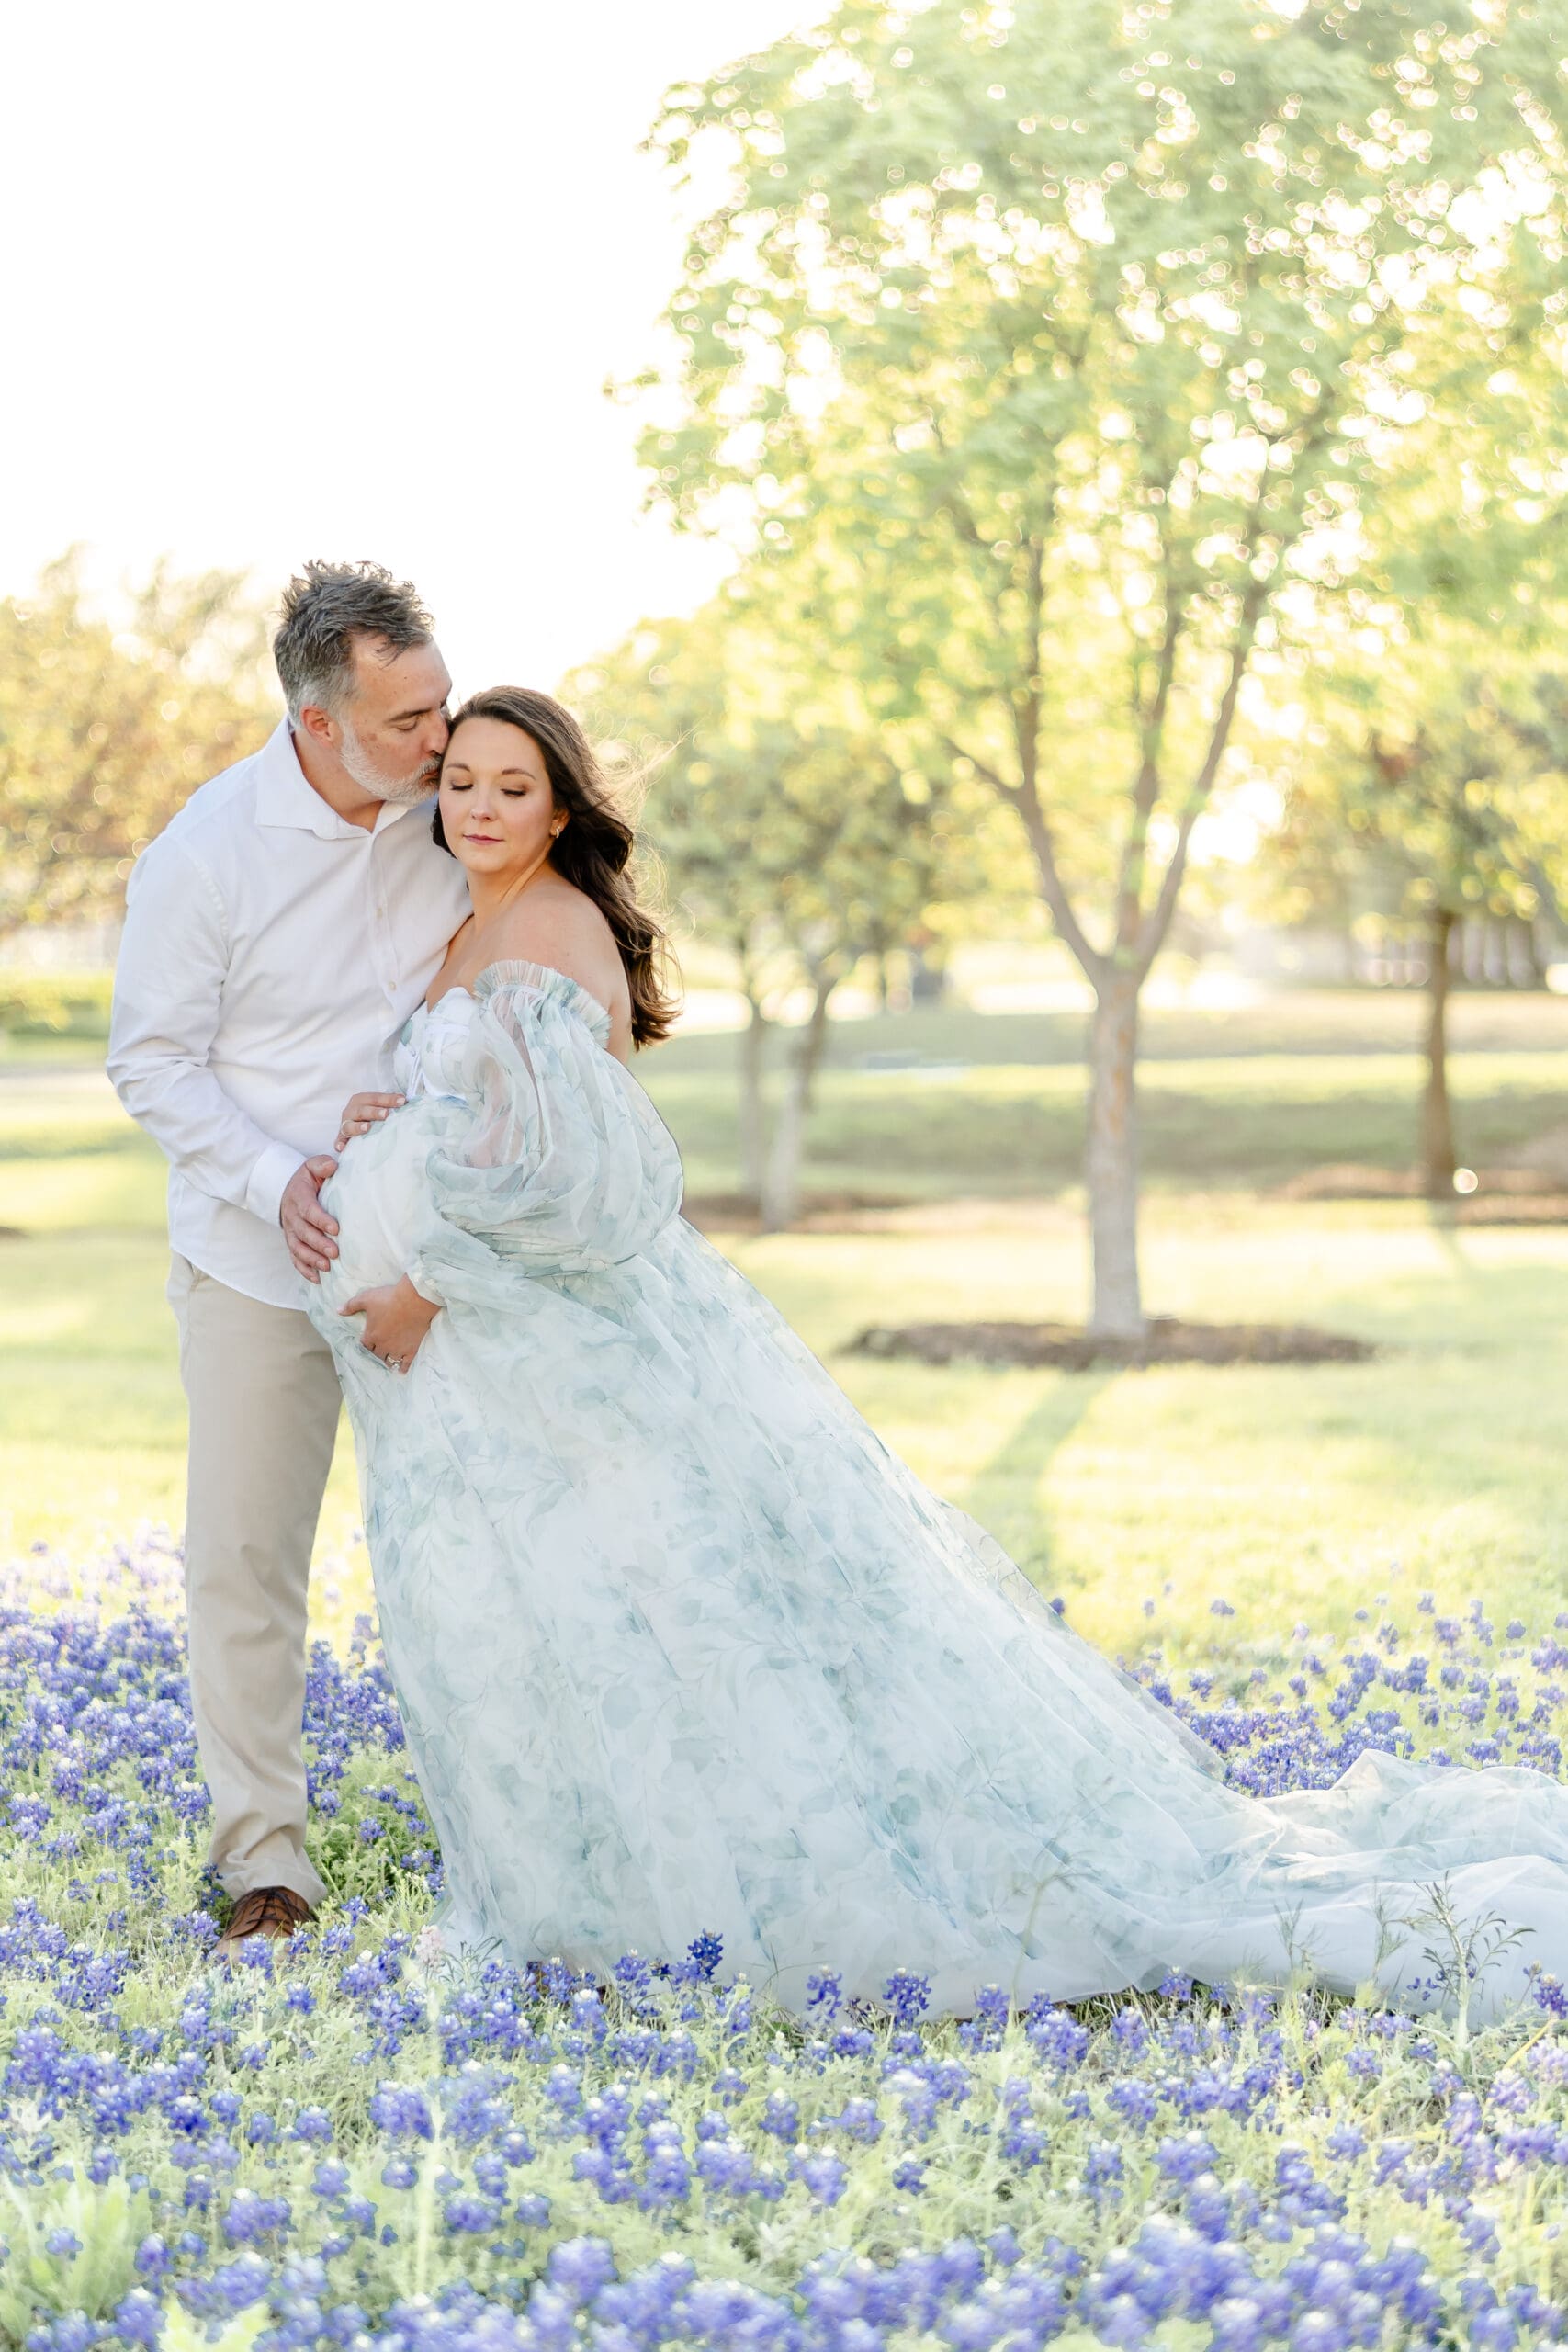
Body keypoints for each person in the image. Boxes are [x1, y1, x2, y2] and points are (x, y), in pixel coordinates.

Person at [311, 684, 1568, 2022]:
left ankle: (719, 1905)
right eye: (463, 784)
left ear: (563, 805)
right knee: (562, 1619)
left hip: (545, 1347)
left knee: (661, 1615)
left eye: (514, 787)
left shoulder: (553, 926)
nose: (482, 809)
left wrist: (427, 1291)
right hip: (497, 1384)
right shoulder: (475, 923)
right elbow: (498, 1120)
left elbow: (591, 1187)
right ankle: (592, 1901)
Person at [108, 560, 469, 1957]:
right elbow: (152, 1063)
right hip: (258, 1261)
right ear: (318, 725)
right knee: (245, 1558)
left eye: (439, 705)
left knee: (470, 1543)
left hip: (433, 1263)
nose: (437, 743)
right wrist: (283, 1179)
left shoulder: (456, 807)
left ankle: (506, 1837)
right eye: (404, 724)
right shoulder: (206, 855)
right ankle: (264, 1864)